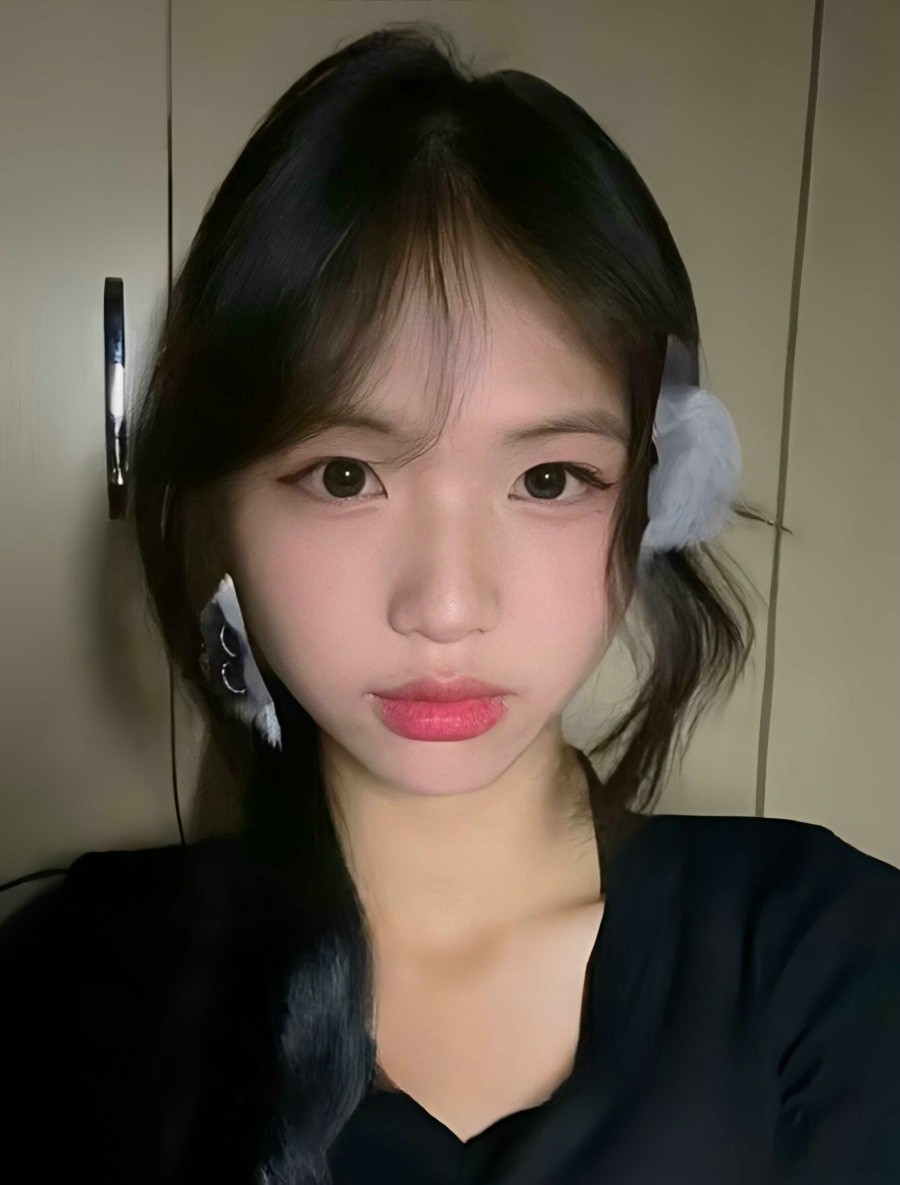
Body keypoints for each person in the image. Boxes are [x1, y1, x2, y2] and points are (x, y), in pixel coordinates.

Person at [2, 21, 898, 1185]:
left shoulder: (833, 962)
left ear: (656, 495)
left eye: (549, 480)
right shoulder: (68, 986)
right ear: (216, 511)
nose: (446, 603)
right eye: (343, 476)